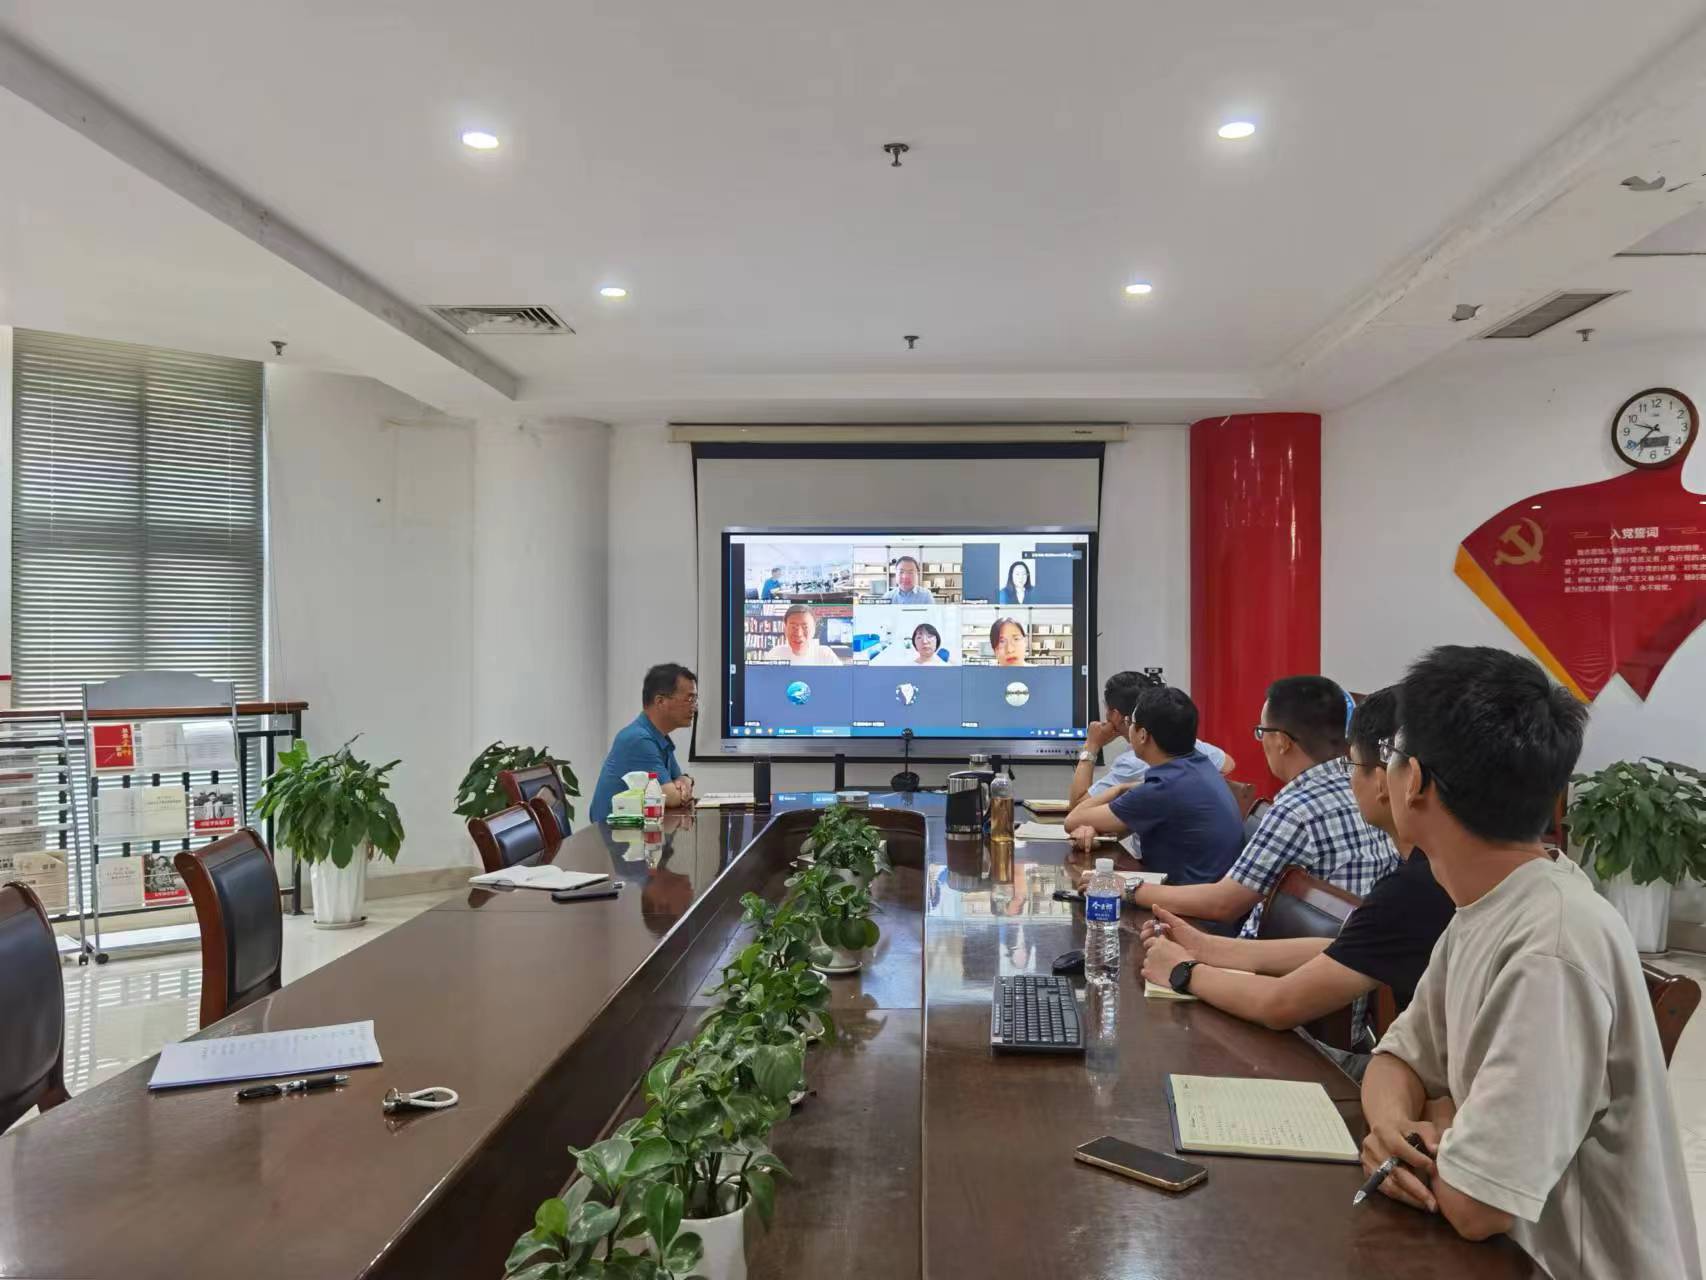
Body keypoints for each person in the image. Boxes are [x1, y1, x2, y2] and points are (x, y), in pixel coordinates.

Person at [1359, 647, 1697, 1277]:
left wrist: (1439, 1119)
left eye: (1390, 753)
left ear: (1415, 781)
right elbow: (1395, 1060)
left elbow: (1476, 1205)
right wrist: (1401, 1127)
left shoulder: (1552, 947)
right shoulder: (1486, 903)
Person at [1135, 687, 1455, 1060]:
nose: (1348, 782)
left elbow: (1279, 1004)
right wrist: (1207, 948)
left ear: (1400, 779)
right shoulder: (1425, 870)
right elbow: (1346, 947)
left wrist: (1184, 970)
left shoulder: (1418, 886)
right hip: (1388, 1054)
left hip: (1352, 1049)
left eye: (1352, 766)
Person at [1115, 675, 1398, 936]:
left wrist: (1127, 887)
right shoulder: (1366, 790)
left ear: (1283, 742)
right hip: (1337, 956)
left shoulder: (1297, 808)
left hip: (1261, 963)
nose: (1262, 743)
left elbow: (1224, 903)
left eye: (1262, 732)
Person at [1060, 685, 1243, 886]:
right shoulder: (1198, 764)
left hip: (1184, 900)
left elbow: (1073, 819)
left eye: (1131, 723)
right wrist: (1094, 830)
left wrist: (1119, 789)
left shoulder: (1163, 787)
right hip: (1199, 890)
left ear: (1142, 735)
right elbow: (1122, 824)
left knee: (1087, 885)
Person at [1069, 670, 1233, 806]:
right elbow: (1227, 763)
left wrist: (1092, 745)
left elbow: (1078, 805)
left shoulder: (1132, 762)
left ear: (1117, 716)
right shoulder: (1179, 741)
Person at [589, 663, 697, 823]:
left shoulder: (659, 737)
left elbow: (678, 782)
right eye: (689, 699)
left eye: (694, 699)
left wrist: (686, 780)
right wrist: (684, 783)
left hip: (638, 829)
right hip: (612, 833)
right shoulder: (638, 740)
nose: (694, 707)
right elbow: (672, 797)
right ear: (660, 701)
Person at [761, 604, 842, 665]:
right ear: (785, 629)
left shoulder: (826, 655)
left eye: (805, 627)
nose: (799, 634)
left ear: (814, 630)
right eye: (793, 627)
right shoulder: (774, 654)